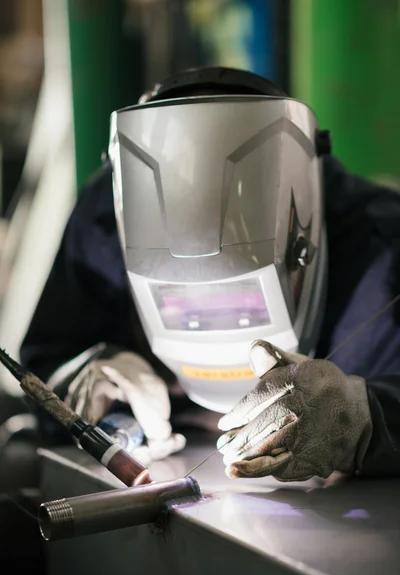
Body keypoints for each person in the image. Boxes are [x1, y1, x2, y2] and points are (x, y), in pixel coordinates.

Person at [20, 66, 400, 481]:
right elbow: (44, 363)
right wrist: (82, 375)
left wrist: (368, 422)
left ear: (300, 241)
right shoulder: (102, 226)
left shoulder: (380, 247)